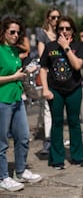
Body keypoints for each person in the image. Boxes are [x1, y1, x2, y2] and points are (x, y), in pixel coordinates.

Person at [0, 16, 42, 192]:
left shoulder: (15, 51)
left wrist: (25, 71)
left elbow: (16, 72)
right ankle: (3, 177)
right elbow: (9, 76)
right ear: (3, 32)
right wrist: (14, 77)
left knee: (23, 137)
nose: (16, 35)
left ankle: (20, 170)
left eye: (18, 32)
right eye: (12, 32)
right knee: (2, 142)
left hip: (17, 98)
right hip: (2, 100)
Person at [39, 16, 83, 170]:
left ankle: (78, 157)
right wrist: (45, 89)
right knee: (57, 123)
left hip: (74, 89)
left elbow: (77, 65)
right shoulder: (50, 46)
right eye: (61, 28)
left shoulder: (79, 46)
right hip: (55, 90)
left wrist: (66, 47)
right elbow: (44, 68)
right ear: (57, 30)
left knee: (74, 122)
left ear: (73, 30)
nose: (64, 31)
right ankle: (57, 159)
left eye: (68, 28)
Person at [37, 7, 61, 155]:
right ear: (48, 19)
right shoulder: (43, 34)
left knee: (58, 109)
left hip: (62, 75)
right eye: (53, 17)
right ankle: (48, 139)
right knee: (47, 108)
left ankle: (56, 137)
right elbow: (42, 57)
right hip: (49, 74)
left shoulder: (61, 34)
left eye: (58, 17)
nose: (56, 20)